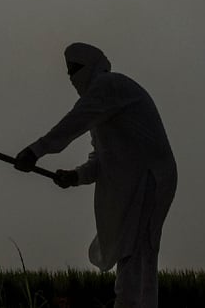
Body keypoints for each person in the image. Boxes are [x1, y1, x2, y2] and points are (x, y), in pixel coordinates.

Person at [15, 42, 177, 308]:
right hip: (140, 183)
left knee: (136, 254)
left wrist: (36, 150)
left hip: (150, 180)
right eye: (67, 71)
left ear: (91, 66)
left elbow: (74, 122)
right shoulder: (102, 103)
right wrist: (76, 176)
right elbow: (101, 159)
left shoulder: (108, 86)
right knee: (137, 256)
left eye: (75, 69)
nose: (71, 77)